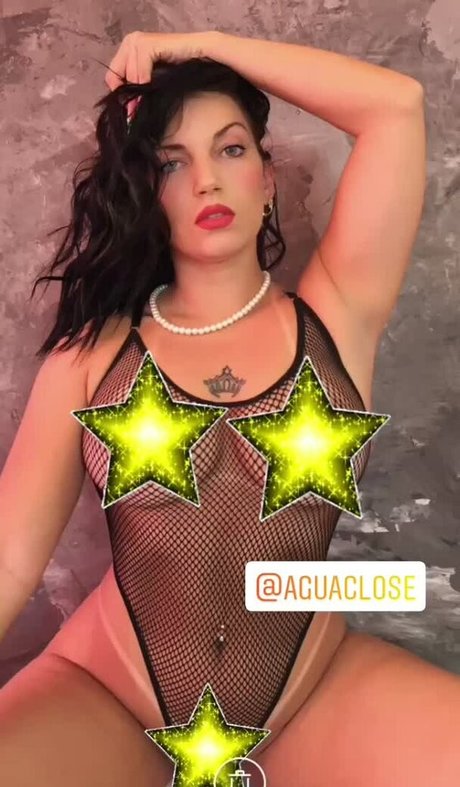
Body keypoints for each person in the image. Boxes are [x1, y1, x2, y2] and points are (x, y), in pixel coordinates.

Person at [0, 29, 458, 787]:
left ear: (268, 178)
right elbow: (12, 555)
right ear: (147, 192)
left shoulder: (336, 315)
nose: (208, 181)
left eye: (231, 149)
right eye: (172, 163)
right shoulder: (94, 352)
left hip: (310, 696)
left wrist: (202, 44)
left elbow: (395, 107)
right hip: (112, 696)